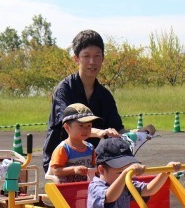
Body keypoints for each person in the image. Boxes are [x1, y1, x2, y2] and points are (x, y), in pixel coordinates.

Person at [42, 29, 126, 173]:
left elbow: (118, 129)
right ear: (76, 58)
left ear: (103, 58)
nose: (92, 62)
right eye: (86, 56)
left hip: (92, 162)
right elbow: (71, 126)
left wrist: (141, 133)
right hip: (62, 163)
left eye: (97, 56)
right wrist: (100, 132)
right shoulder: (64, 90)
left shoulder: (104, 95)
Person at [46, 103, 100, 183]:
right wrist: (73, 169)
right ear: (67, 127)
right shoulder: (63, 149)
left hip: (87, 186)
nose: (86, 129)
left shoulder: (90, 147)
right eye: (81, 126)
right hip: (68, 188)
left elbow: (94, 167)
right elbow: (56, 171)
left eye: (89, 126)